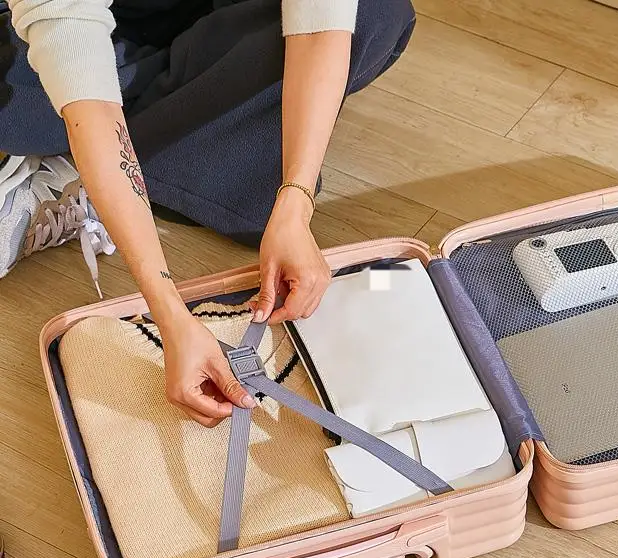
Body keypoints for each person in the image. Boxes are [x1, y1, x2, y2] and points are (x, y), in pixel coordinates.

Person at [1, 0, 415, 425]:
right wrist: (170, 315)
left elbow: (317, 27)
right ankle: (110, 163)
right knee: (19, 96)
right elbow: (94, 104)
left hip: (225, 17)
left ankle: (99, 164)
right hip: (87, 32)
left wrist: (295, 202)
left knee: (375, 13)